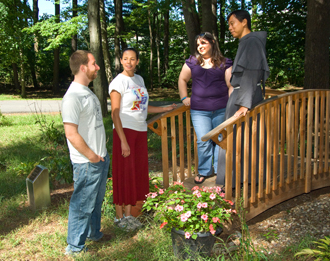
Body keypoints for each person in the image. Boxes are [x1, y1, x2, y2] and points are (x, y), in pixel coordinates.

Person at [109, 47, 176, 231]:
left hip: (140, 131)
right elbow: (115, 115)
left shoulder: (139, 80)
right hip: (125, 132)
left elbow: (142, 108)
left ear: (137, 61)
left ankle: (131, 214)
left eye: (132, 59)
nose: (129, 62)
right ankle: (120, 217)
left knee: (135, 172)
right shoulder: (118, 82)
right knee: (124, 173)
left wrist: (164, 109)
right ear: (121, 61)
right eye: (125, 59)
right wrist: (123, 140)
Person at [62, 50, 111, 255]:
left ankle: (93, 233)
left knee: (96, 201)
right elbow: (71, 134)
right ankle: (74, 247)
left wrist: (100, 154)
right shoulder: (73, 97)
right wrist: (91, 157)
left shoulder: (87, 91)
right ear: (83, 68)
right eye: (93, 63)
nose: (97, 67)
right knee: (82, 204)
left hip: (99, 158)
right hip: (87, 162)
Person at [216, 10, 270, 187]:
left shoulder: (252, 41)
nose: (230, 27)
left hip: (245, 97)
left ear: (244, 22)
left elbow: (251, 72)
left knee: (237, 138)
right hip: (242, 95)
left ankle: (238, 182)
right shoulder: (246, 42)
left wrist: (243, 104)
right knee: (238, 138)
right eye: (229, 24)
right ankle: (236, 181)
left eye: (233, 23)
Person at [178, 32, 233, 184]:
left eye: (203, 43)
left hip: (221, 108)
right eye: (198, 45)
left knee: (220, 139)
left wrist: (230, 103)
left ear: (212, 42)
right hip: (199, 110)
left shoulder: (224, 62)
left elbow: (230, 84)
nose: (200, 47)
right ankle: (204, 171)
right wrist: (184, 97)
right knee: (203, 140)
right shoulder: (192, 62)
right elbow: (182, 79)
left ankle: (219, 170)